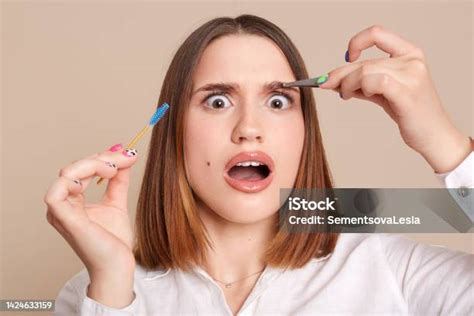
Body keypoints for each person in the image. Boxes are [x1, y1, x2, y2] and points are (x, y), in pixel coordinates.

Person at [44, 15, 473, 315]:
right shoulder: (94, 293)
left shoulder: (391, 271)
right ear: (173, 131)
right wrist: (114, 283)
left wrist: (445, 142)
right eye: (217, 101)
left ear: (306, 131)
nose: (249, 128)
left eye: (277, 100)